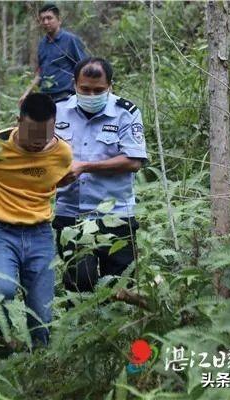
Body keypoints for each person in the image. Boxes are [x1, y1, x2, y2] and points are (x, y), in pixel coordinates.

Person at [0, 93, 72, 347]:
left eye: (44, 137)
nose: (37, 144)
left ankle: (41, 363)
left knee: (42, 311)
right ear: (18, 121)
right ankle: (0, 345)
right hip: (2, 232)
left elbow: (63, 176)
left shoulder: (62, 152)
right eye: (31, 136)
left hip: (41, 233)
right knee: (1, 289)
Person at [52, 57, 147, 294]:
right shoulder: (57, 111)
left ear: (110, 86)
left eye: (99, 90)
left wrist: (85, 166)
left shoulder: (126, 113)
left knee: (120, 286)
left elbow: (134, 161)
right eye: (85, 89)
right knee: (78, 282)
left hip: (116, 213)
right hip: (70, 213)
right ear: (74, 84)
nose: (92, 95)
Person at [19, 4, 87, 105]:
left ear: (59, 20)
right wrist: (26, 93)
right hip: (45, 97)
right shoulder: (42, 44)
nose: (46, 22)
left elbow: (84, 67)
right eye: (42, 19)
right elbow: (40, 74)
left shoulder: (70, 40)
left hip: (66, 96)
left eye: (49, 18)